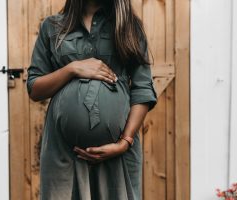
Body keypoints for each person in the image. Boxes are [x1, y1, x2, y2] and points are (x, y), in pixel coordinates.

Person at [26, 0, 158, 199]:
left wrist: (124, 142)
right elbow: (35, 89)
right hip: (64, 153)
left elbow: (143, 89)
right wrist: (72, 69)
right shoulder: (52, 27)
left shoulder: (129, 27)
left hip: (118, 153)